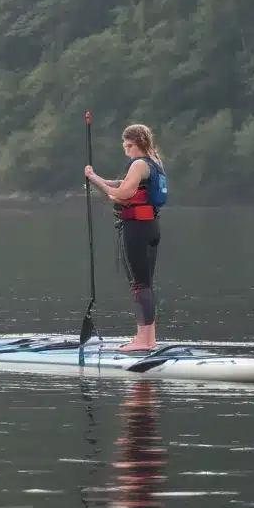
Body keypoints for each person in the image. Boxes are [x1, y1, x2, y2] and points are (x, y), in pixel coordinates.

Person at [85, 124, 166, 353]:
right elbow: (122, 184)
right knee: (145, 285)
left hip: (137, 230)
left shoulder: (139, 164)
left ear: (137, 143)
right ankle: (148, 339)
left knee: (139, 285)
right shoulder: (154, 163)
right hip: (151, 228)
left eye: (128, 146)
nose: (126, 151)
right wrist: (95, 177)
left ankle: (143, 340)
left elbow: (120, 195)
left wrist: (95, 181)